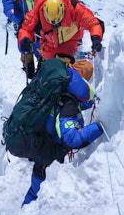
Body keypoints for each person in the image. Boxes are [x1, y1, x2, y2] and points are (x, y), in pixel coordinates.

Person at [19, 58, 104, 206]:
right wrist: (101, 126)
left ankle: (27, 206)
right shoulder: (68, 104)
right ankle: (30, 209)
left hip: (41, 143)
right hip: (49, 150)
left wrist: (92, 102)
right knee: (41, 185)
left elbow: (71, 106)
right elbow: (72, 139)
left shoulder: (58, 93)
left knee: (36, 185)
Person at [17, 0, 104, 63]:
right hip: (50, 48)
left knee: (74, 72)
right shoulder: (36, 12)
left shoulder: (74, 8)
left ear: (63, 9)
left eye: (59, 21)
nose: (56, 25)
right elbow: (25, 29)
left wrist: (96, 38)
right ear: (43, 11)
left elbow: (93, 23)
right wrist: (24, 40)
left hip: (72, 43)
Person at [2, 0, 52, 78]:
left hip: (44, 20)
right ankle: (29, 69)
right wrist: (19, 20)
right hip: (26, 20)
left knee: (43, 46)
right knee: (23, 43)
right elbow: (7, 5)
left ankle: (44, 66)